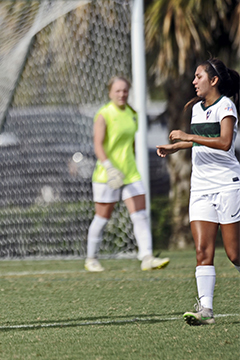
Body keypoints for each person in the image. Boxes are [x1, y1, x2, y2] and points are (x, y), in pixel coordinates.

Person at [157, 58, 240, 325]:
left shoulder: (226, 105)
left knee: (234, 254)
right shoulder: (195, 109)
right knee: (203, 250)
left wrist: (188, 137)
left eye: (198, 76)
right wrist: (177, 147)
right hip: (201, 188)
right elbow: (201, 144)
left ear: (213, 80)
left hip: (227, 185)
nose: (194, 81)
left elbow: (225, 143)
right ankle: (206, 310)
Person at [85, 76, 170, 272]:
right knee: (102, 217)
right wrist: (109, 167)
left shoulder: (132, 113)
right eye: (118, 91)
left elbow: (129, 144)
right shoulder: (104, 114)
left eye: (125, 91)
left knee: (140, 215)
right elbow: (98, 145)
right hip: (107, 175)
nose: (122, 94)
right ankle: (91, 258)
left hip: (130, 173)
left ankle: (147, 257)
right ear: (110, 92)